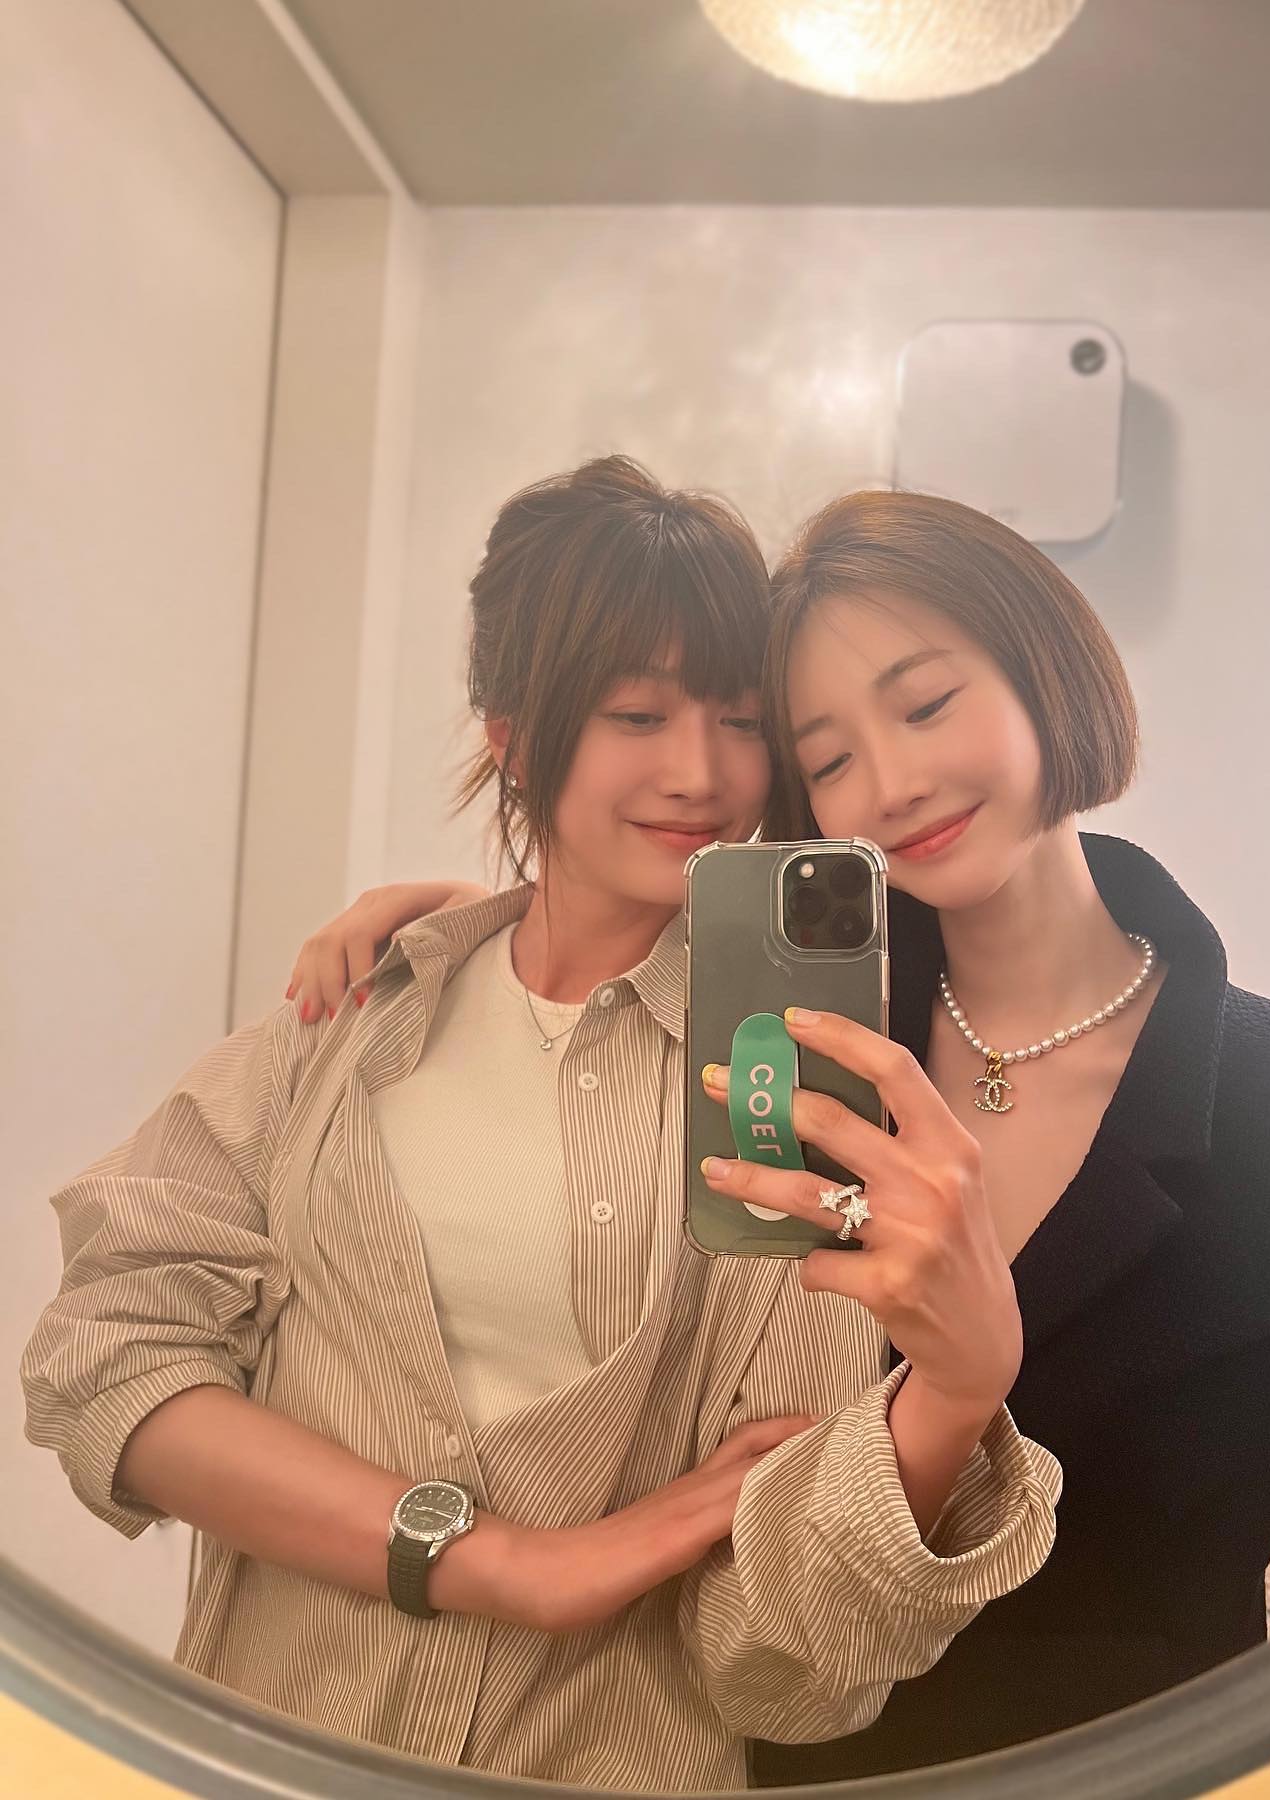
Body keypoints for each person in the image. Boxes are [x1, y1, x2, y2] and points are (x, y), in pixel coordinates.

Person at [303, 485, 1270, 1781]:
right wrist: (476, 931)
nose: (893, 785)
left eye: (927, 704)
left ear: (1044, 671)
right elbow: (588, 986)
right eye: (829, 759)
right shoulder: (774, 1052)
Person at [20, 459, 1059, 1793]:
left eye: (742, 722)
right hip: (256, 1758)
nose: (699, 772)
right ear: (513, 737)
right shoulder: (352, 1021)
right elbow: (105, 1358)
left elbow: (780, 1666)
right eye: (636, 714)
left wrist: (941, 1415)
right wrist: (505, 1563)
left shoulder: (789, 1092)